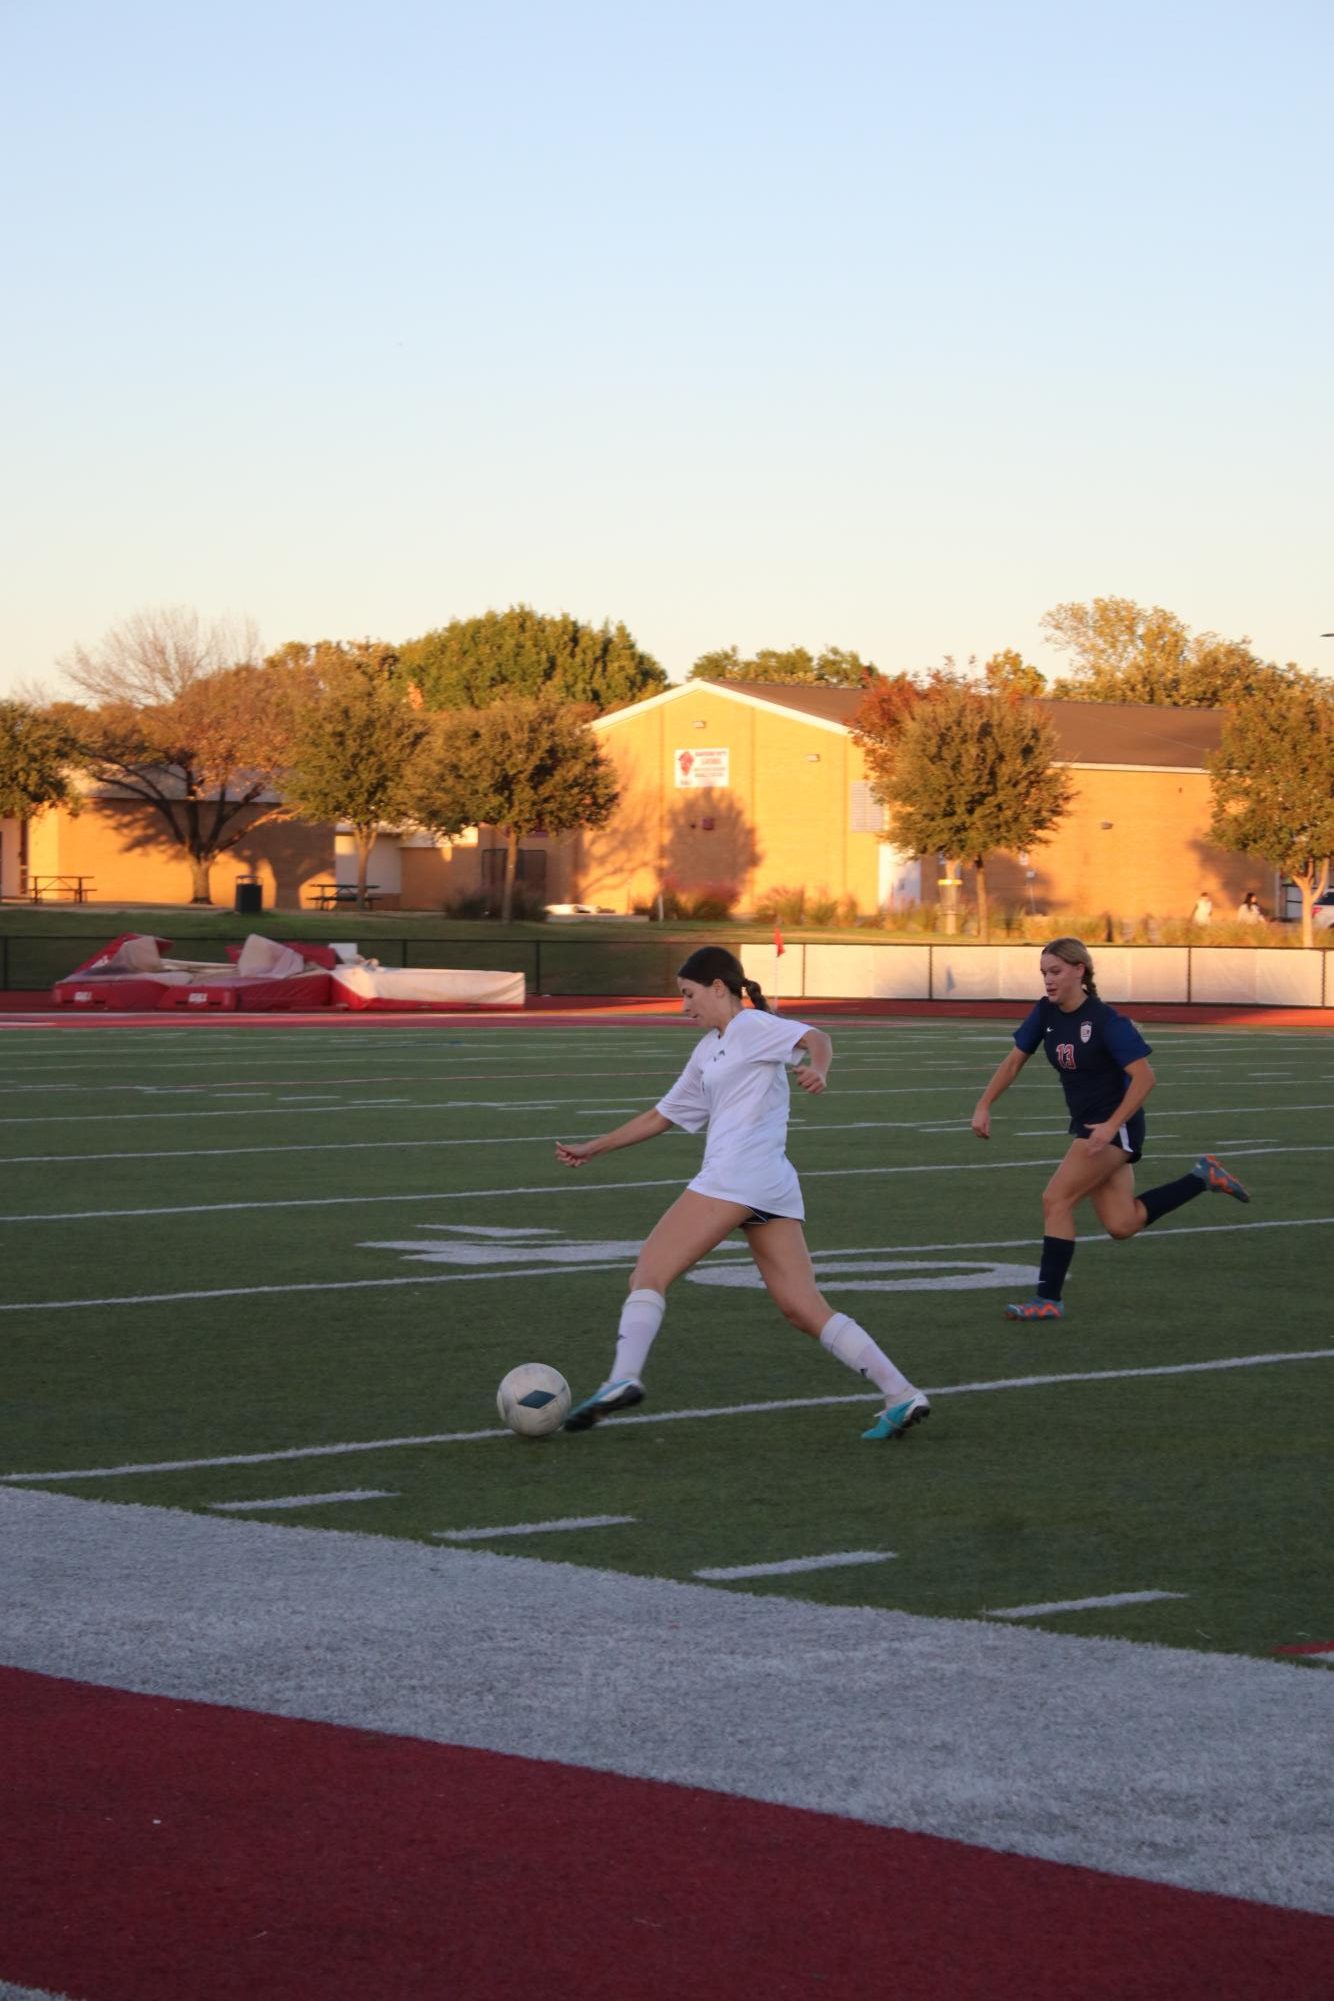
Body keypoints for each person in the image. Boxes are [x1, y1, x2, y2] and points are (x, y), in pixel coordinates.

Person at [554, 944, 928, 1441]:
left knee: (649, 1271)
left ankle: (621, 1379)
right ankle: (901, 1393)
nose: (684, 1006)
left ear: (718, 988)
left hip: (736, 1176)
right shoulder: (709, 1047)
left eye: (689, 995)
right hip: (768, 1182)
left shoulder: (751, 1026)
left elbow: (819, 1036)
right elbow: (662, 1114)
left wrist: (820, 1068)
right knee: (802, 1307)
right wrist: (595, 1147)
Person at [970, 936, 1249, 1320]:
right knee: (1122, 1223)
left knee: (1056, 1199)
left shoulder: (1105, 1021)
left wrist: (1110, 1127)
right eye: (1043, 973)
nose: (1047, 980)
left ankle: (1048, 1299)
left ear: (1079, 971)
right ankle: (1202, 1177)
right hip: (1093, 1128)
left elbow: (1145, 1078)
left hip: (1114, 1127)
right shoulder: (1046, 1013)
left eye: (1055, 971)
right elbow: (1014, 1062)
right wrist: (984, 1104)